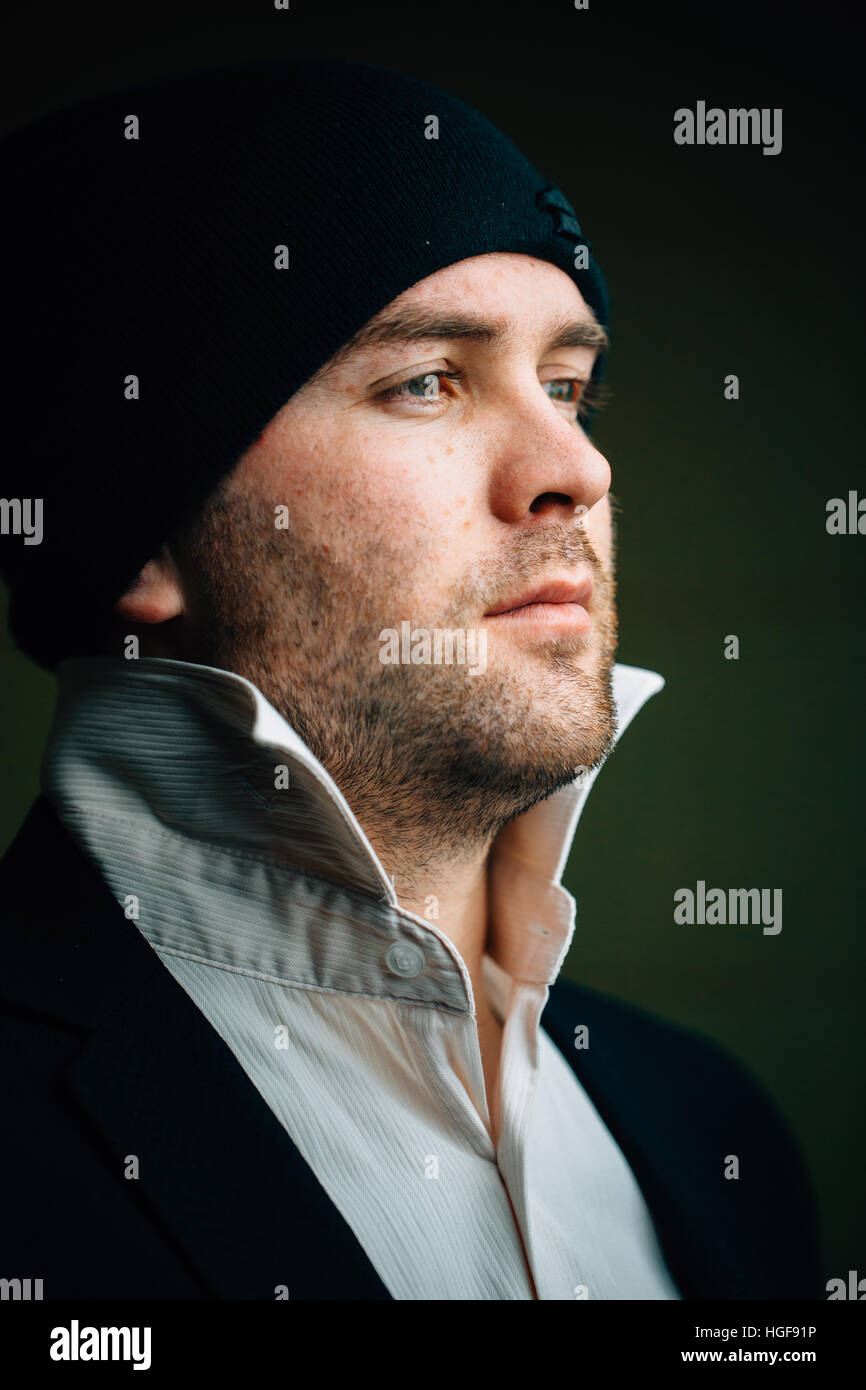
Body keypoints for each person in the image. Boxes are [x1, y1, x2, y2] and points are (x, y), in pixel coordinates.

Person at [0, 58, 820, 1300]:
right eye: (426, 382)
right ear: (144, 535)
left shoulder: (714, 1128)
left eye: (567, 386)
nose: (575, 469)